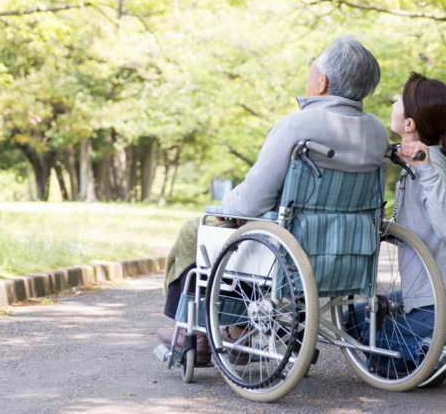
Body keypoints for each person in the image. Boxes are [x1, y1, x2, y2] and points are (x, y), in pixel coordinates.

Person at [157, 36, 391, 360]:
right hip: (349, 248)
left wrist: (228, 209)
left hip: (291, 247)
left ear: (321, 81)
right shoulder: (378, 132)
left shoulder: (298, 124)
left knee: (201, 230)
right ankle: (236, 331)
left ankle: (190, 331)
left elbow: (249, 201)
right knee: (261, 233)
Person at [367, 72, 446, 386]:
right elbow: (416, 229)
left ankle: (443, 349)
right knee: (358, 319)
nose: (393, 104)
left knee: (373, 349)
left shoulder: (430, 166)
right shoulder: (426, 159)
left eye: (398, 101)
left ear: (410, 124)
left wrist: (424, 170)